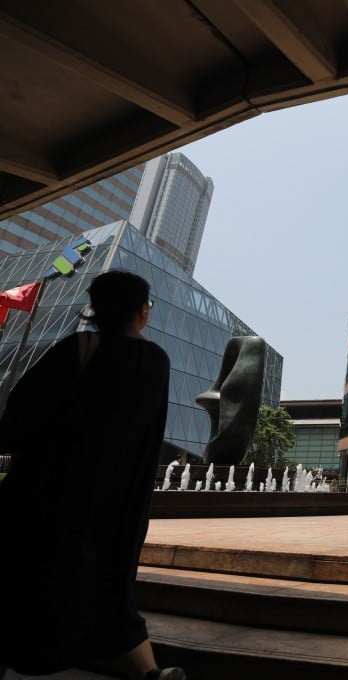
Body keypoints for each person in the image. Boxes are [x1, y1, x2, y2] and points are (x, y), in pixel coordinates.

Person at [0, 271, 185, 680]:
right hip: (113, 500)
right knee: (111, 588)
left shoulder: (76, 347)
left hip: (44, 492)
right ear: (142, 312)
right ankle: (149, 672)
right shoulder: (155, 361)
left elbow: (18, 413)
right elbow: (148, 439)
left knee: (21, 580)